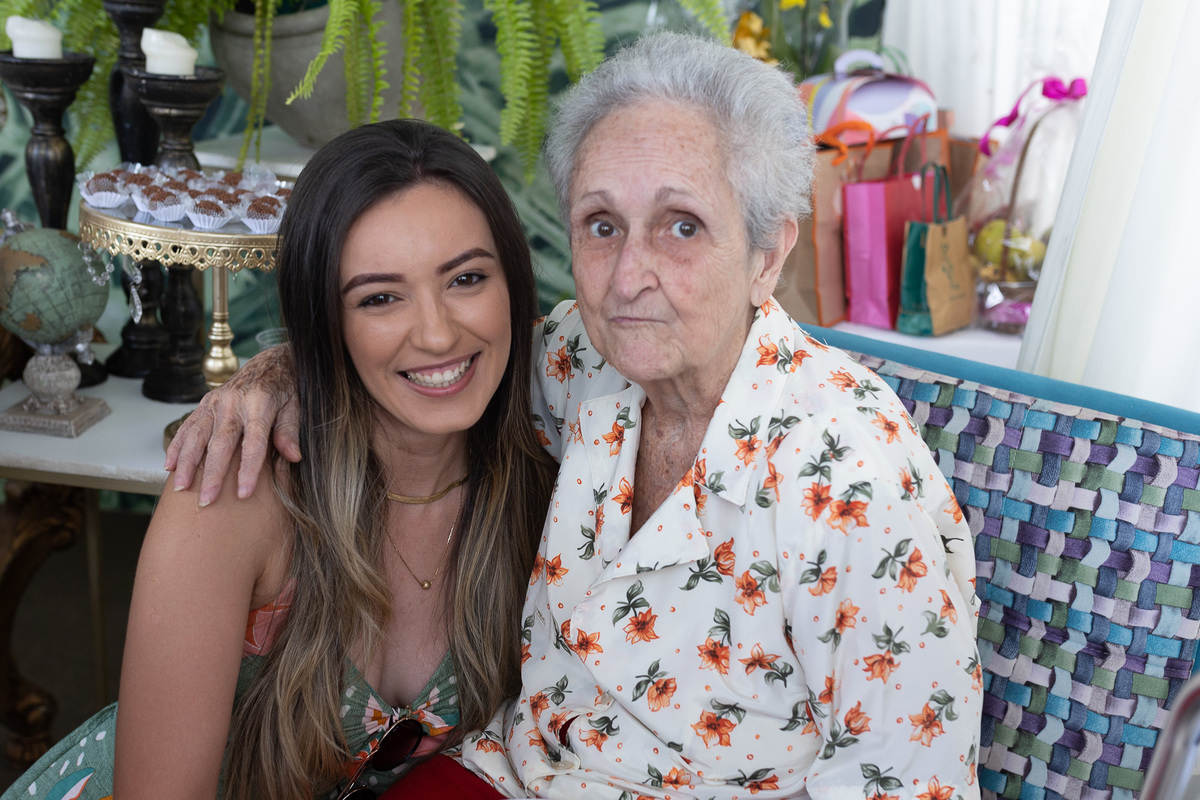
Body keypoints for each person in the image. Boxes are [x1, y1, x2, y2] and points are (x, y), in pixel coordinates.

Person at [170, 32, 983, 800]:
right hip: (513, 775)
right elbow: (433, 353)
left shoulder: (848, 480)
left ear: (767, 254)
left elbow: (913, 780)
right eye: (602, 226)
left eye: (681, 226)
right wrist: (278, 373)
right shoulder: (586, 363)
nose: (628, 276)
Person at [1, 119, 555, 800]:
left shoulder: (554, 466)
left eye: (466, 278)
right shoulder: (233, 491)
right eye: (379, 298)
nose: (438, 334)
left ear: (512, 285)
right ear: (325, 321)